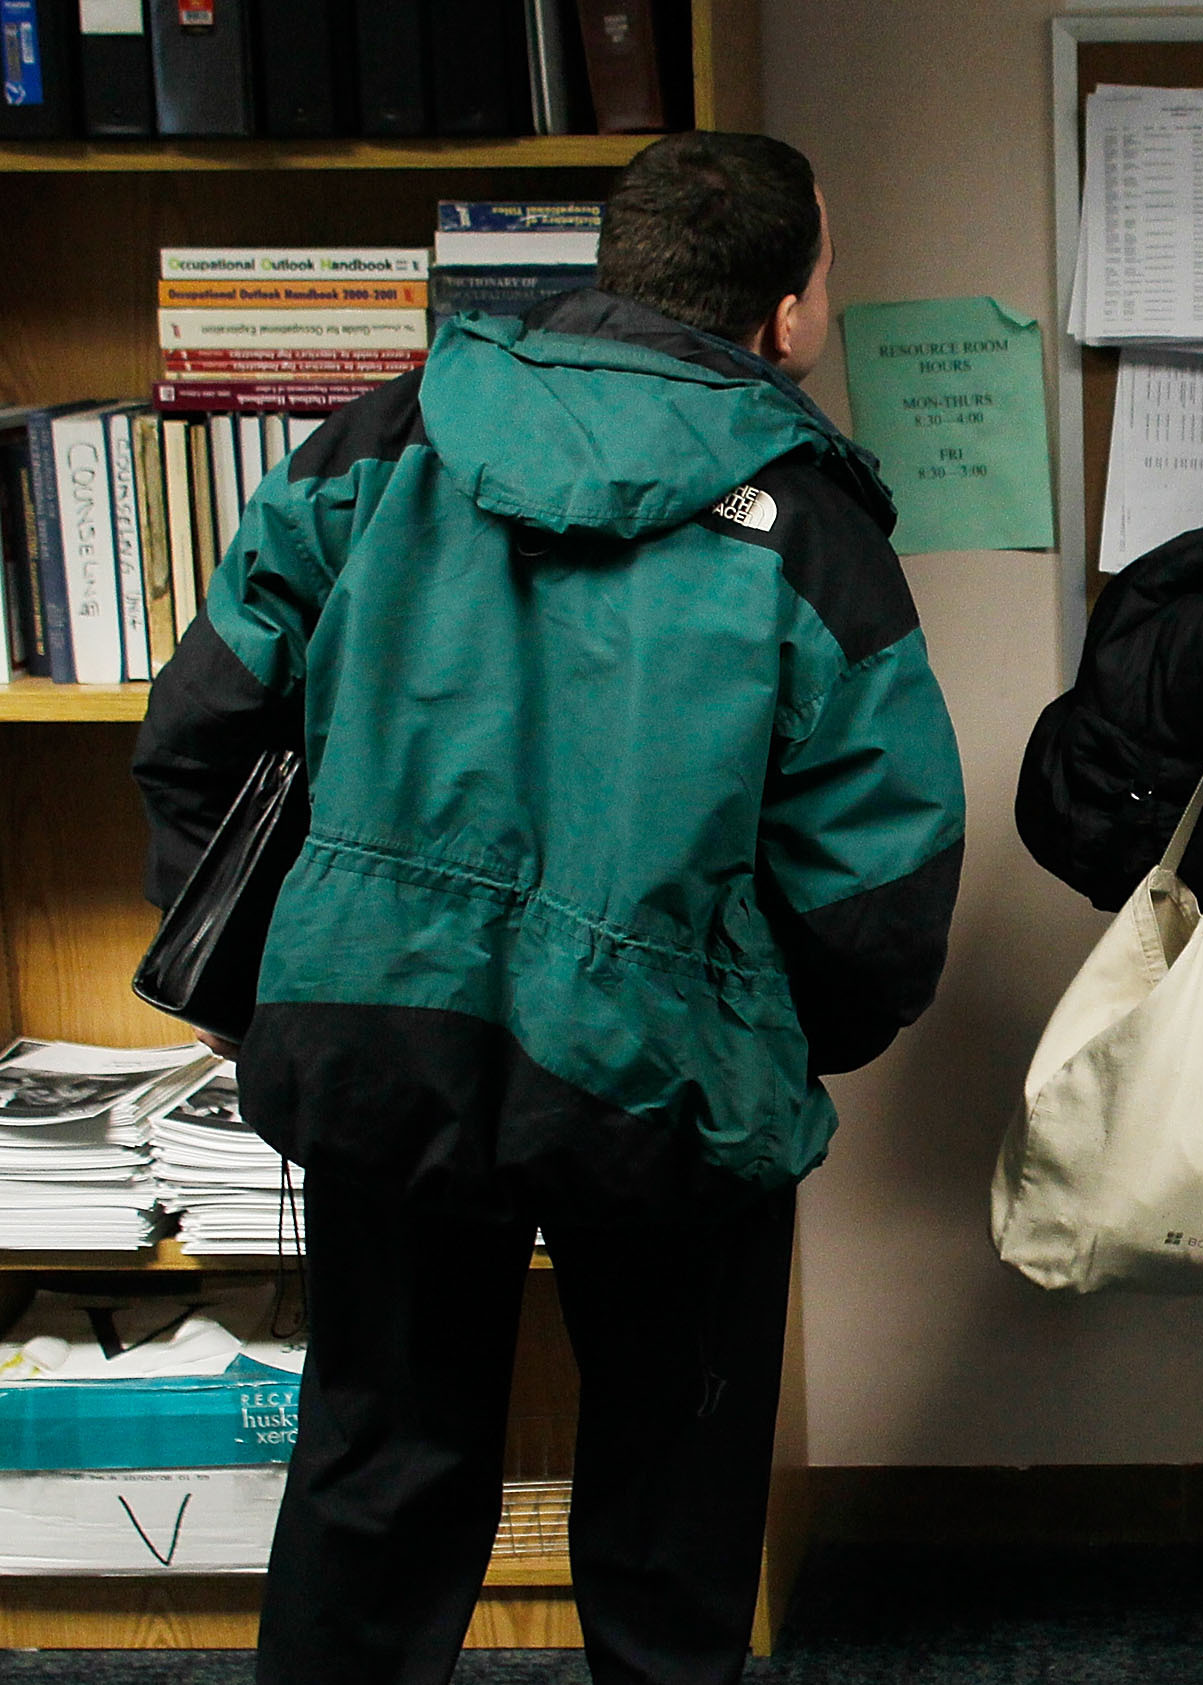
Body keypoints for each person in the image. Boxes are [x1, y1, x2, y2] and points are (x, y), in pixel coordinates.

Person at [132, 131, 965, 1685]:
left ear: (615, 273)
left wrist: (293, 977)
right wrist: (776, 1036)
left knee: (381, 1466)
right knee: (673, 1501)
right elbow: (877, 883)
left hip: (377, 1025)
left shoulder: (378, 445)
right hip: (672, 1072)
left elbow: (201, 728)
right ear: (782, 314)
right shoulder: (812, 523)